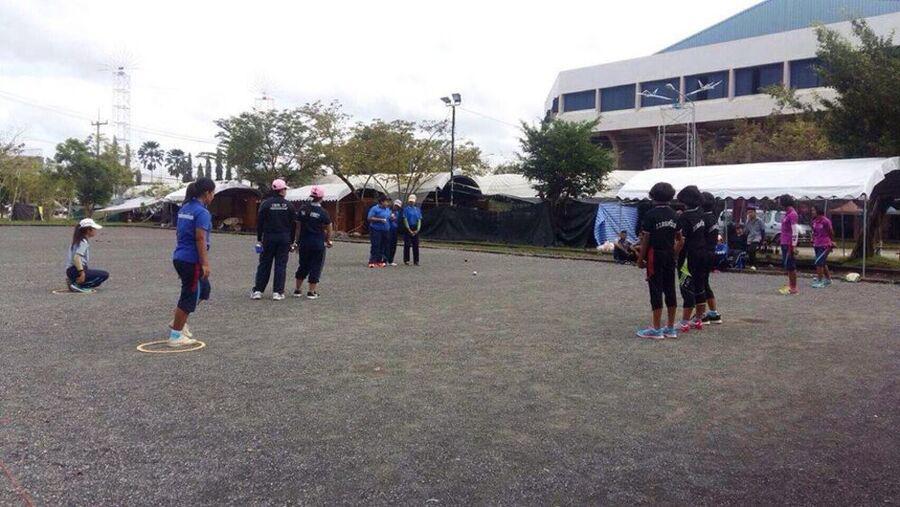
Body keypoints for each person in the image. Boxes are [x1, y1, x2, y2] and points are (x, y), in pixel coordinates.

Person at [170, 177, 215, 347]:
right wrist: (205, 263)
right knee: (189, 295)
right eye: (213, 193)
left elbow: (179, 233)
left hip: (181, 257)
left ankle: (178, 320)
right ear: (207, 193)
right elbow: (200, 238)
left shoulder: (185, 208)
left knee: (204, 290)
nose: (213, 196)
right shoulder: (202, 212)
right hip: (191, 260)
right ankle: (175, 336)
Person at [635, 182, 683, 340]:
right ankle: (670, 327)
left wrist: (640, 259)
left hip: (654, 254)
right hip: (669, 254)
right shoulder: (675, 215)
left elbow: (646, 240)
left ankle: (656, 329)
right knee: (670, 289)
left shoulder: (650, 215)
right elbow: (680, 240)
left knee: (655, 289)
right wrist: (674, 254)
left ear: (653, 195)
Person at [251, 178, 295, 301]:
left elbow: (260, 223)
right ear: (282, 190)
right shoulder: (289, 205)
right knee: (280, 265)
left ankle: (258, 291)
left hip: (268, 237)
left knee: (264, 264)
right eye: (285, 189)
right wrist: (292, 241)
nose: (285, 191)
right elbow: (293, 225)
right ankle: (278, 292)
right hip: (284, 238)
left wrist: (259, 239)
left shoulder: (265, 204)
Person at [674, 185, 707, 334]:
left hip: (688, 256)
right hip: (702, 252)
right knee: (700, 285)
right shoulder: (701, 213)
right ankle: (698, 318)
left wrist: (674, 255)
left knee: (686, 286)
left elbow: (681, 241)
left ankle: (685, 321)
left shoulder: (684, 217)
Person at [293, 185, 333, 299]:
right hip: (317, 242)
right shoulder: (323, 212)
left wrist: (296, 241)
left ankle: (297, 289)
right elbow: (329, 227)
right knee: (316, 266)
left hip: (304, 242)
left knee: (303, 265)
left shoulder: (302, 209)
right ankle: (311, 291)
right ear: (322, 198)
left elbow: (298, 227)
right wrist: (328, 240)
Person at [698, 192, 723, 324]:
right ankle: (713, 312)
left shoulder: (703, 219)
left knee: (699, 283)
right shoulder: (713, 217)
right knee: (705, 282)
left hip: (703, 253)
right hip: (712, 252)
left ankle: (701, 314)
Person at [65, 218, 109, 293]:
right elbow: (76, 258)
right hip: (75, 270)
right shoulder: (83, 242)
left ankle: (74, 281)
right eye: (94, 229)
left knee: (97, 281)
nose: (96, 230)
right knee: (104, 275)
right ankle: (77, 285)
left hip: (71, 270)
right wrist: (82, 273)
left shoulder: (78, 240)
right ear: (88, 230)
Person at [777, 195, 800, 295]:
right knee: (787, 265)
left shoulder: (792, 214)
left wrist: (793, 245)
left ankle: (794, 287)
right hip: (784, 241)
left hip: (789, 243)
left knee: (791, 265)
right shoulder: (787, 214)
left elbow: (795, 231)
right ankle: (791, 285)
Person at [810, 205, 834, 288]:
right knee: (822, 262)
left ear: (818, 211)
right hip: (817, 244)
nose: (812, 212)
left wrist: (831, 242)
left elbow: (831, 232)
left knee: (819, 262)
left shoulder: (825, 221)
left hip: (825, 244)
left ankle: (820, 281)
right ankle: (828, 279)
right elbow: (814, 232)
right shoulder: (814, 221)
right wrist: (813, 239)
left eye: (813, 210)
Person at [367, 196, 392, 268]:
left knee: (383, 246)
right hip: (376, 229)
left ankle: (380, 261)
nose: (388, 203)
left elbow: (388, 217)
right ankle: (372, 261)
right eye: (386, 201)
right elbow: (369, 218)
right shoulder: (375, 208)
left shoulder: (387, 209)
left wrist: (392, 217)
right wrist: (380, 220)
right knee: (375, 245)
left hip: (386, 230)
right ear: (382, 202)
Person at [402, 194, 422, 266]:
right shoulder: (406, 209)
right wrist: (409, 229)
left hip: (415, 227)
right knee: (407, 244)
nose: (411, 202)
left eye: (413, 201)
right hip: (408, 227)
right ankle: (406, 260)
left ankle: (416, 261)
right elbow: (405, 219)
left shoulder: (417, 210)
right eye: (410, 201)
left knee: (416, 245)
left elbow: (419, 220)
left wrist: (418, 229)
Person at [386, 199, 402, 266]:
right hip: (388, 229)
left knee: (393, 245)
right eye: (396, 205)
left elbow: (397, 221)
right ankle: (385, 259)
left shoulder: (397, 213)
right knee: (387, 245)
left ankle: (391, 260)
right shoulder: (388, 211)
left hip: (394, 230)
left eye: (398, 206)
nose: (396, 207)